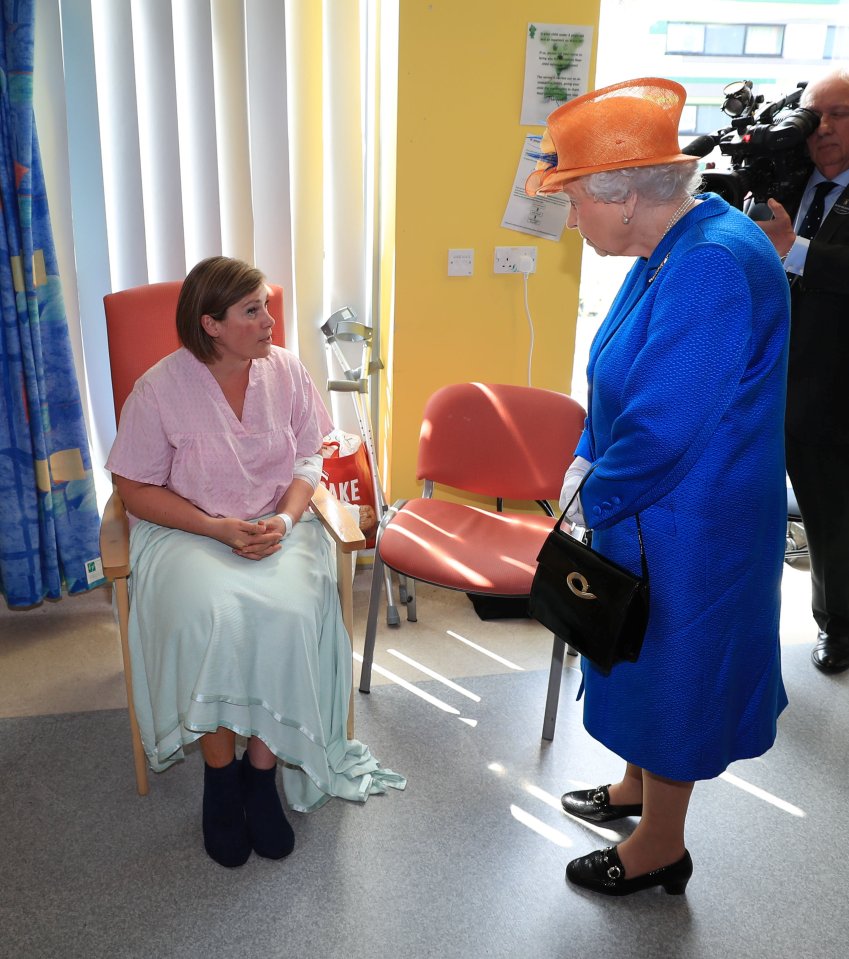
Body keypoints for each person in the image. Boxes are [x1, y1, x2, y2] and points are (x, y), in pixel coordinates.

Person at [525, 78, 790, 896]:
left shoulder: (709, 264)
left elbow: (664, 425)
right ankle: (635, 790)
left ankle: (658, 847)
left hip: (688, 525)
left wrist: (584, 495)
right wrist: (583, 459)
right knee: (631, 650)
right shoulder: (665, 248)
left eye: (575, 205)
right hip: (652, 512)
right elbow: (616, 378)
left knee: (673, 674)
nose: (573, 221)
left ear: (627, 196)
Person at [106, 256, 404, 868]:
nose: (270, 321)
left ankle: (260, 772)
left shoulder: (288, 374)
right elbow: (134, 489)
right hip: (189, 531)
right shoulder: (159, 389)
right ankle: (221, 778)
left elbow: (306, 465)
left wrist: (287, 520)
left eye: (266, 306)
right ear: (211, 325)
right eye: (252, 311)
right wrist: (215, 527)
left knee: (289, 613)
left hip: (279, 527)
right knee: (212, 614)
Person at [753, 68, 849, 675]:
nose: (824, 129)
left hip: (833, 392)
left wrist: (795, 248)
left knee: (831, 523)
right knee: (750, 513)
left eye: (840, 114)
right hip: (763, 381)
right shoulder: (782, 182)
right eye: (815, 117)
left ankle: (837, 626)